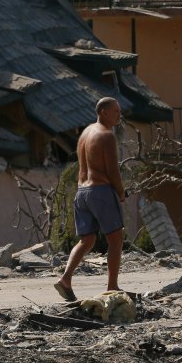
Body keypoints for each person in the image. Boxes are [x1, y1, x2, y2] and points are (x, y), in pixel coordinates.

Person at [54, 97, 127, 302]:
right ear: (103, 112)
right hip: (100, 191)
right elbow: (112, 170)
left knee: (87, 240)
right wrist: (120, 192)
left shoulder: (85, 134)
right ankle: (112, 286)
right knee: (116, 239)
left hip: (81, 192)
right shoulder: (107, 135)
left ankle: (65, 278)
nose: (119, 115)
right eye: (115, 111)